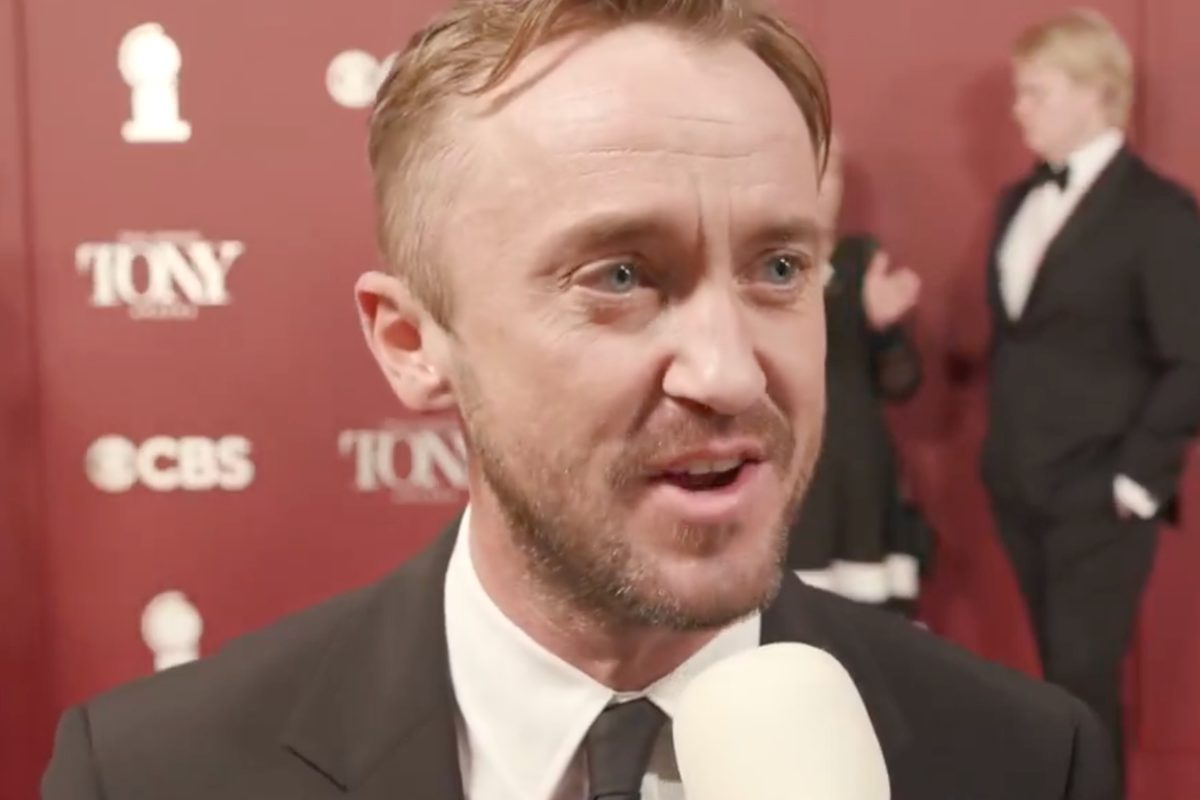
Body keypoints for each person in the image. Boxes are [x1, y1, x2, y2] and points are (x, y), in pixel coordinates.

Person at [44, 2, 1116, 799]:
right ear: (415, 343)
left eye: (780, 268)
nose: (732, 372)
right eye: (620, 275)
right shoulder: (152, 771)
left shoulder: (1025, 759)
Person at [981, 9, 1200, 789]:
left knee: (1085, 682)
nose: (1018, 108)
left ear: (1091, 92)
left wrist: (1136, 482)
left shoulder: (1159, 213)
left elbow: (1192, 358)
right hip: (1019, 485)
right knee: (1055, 682)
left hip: (1100, 494)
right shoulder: (1017, 203)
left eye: (1034, 91)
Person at [786, 132, 934, 617]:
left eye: (833, 174)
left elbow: (902, 384)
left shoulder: (861, 261)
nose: (824, 188)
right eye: (812, 172)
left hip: (860, 474)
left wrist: (884, 328)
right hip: (792, 476)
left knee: (868, 637)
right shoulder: (757, 267)